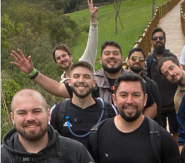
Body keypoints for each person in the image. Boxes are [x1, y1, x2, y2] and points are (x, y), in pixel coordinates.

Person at [10, 42, 157, 119]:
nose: (111, 56)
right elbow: (58, 88)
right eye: (107, 53)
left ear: (122, 58)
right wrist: (33, 73)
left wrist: (135, 124)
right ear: (101, 59)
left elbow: (151, 107)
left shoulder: (135, 81)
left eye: (115, 53)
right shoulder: (91, 80)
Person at [53, 0, 98, 82]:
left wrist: (93, 19)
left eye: (63, 55)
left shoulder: (84, 63)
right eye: (58, 58)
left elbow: (92, 43)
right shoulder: (62, 83)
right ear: (57, 63)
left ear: (70, 56)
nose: (62, 59)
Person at [145, 27, 178, 139]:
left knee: (177, 132)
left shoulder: (172, 58)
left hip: (173, 104)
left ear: (165, 40)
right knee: (160, 134)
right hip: (158, 106)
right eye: (155, 38)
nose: (158, 40)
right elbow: (147, 82)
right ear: (152, 41)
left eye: (160, 37)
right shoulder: (148, 60)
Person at [125, 47, 162, 125]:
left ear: (144, 64)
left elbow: (157, 113)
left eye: (141, 59)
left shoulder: (151, 85)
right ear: (127, 62)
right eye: (134, 58)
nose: (137, 61)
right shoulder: (119, 82)